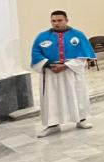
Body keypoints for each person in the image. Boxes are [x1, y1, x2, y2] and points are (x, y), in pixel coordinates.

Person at [31, 10, 96, 138]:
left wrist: (65, 65)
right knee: (51, 98)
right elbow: (36, 53)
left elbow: (83, 56)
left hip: (71, 71)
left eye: (59, 20)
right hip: (51, 72)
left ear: (66, 20)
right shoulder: (42, 37)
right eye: (53, 21)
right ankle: (52, 125)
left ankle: (81, 120)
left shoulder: (78, 35)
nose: (56, 23)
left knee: (77, 94)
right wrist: (49, 64)